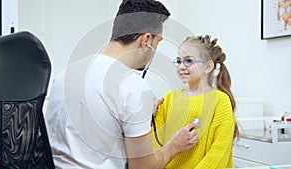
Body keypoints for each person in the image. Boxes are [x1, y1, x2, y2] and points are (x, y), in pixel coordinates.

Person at [45, 0, 199, 169]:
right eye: (157, 42)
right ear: (146, 40)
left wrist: (138, 119)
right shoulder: (133, 87)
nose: (155, 49)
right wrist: (175, 146)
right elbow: (142, 167)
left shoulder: (66, 73)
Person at [151, 35, 239, 169]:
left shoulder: (220, 101)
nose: (181, 66)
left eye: (188, 61)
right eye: (179, 61)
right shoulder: (168, 99)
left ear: (208, 66)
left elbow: (219, 152)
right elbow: (155, 143)